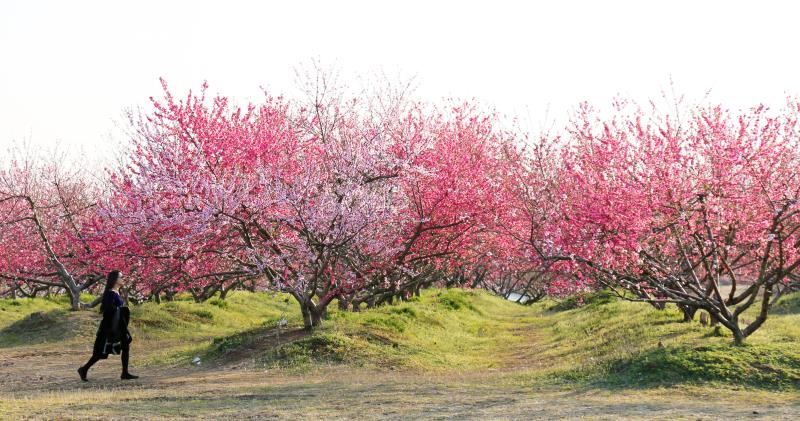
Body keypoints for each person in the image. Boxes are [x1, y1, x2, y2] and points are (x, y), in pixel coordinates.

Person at [77, 270, 138, 381]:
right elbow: (107, 310)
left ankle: (125, 373)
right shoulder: (110, 293)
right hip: (109, 327)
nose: (122, 279)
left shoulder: (117, 292)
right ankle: (84, 369)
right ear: (115, 280)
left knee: (125, 345)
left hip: (119, 325)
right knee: (100, 353)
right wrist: (120, 310)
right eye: (121, 277)